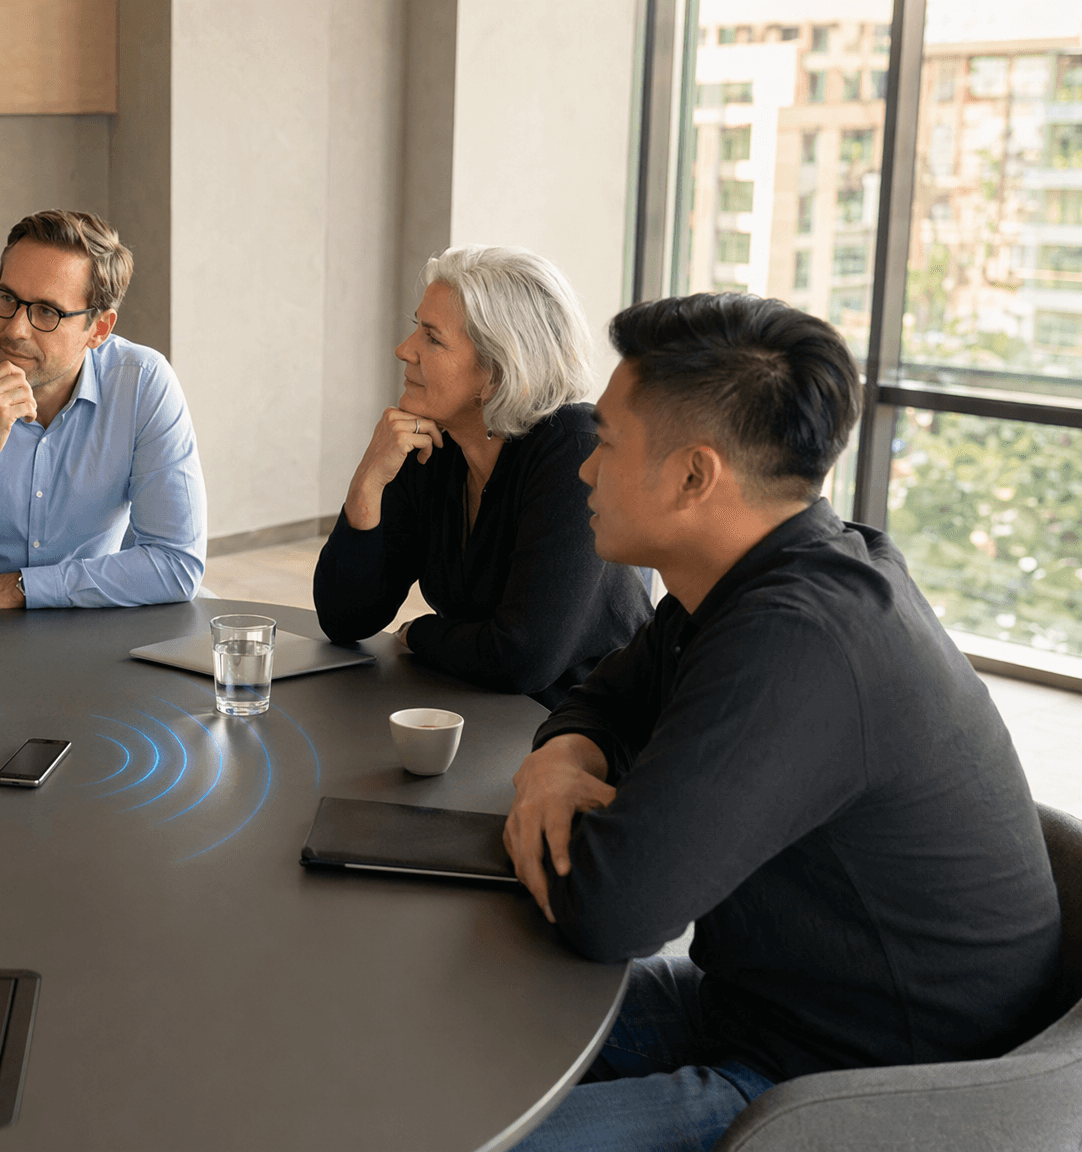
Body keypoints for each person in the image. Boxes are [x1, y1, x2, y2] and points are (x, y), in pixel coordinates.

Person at [504, 293, 1062, 1151]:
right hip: (756, 1007)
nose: (583, 468)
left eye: (605, 442)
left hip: (855, 1092)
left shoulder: (800, 640)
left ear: (695, 475)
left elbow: (609, 912)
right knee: (447, 1014)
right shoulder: (754, 573)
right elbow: (604, 698)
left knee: (463, 1132)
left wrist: (560, 783)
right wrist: (557, 760)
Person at [313, 245, 652, 708]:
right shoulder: (431, 446)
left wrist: (422, 632)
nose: (403, 349)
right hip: (482, 710)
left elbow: (522, 657)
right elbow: (345, 619)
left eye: (432, 338)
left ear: (495, 372)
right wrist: (367, 484)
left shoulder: (573, 449)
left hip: (592, 730)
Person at [0, 209, 206, 611]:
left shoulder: (143, 384)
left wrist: (16, 588)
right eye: (8, 298)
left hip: (92, 623)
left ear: (98, 329)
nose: (14, 330)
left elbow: (177, 564)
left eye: (47, 311)